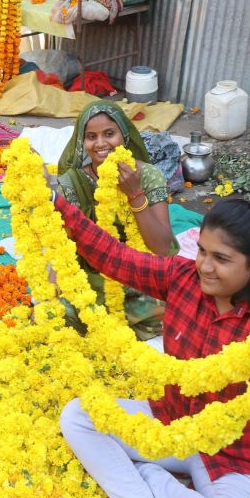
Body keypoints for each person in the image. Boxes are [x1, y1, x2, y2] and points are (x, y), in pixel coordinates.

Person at [50, 194, 250, 498]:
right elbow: (116, 258)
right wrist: (55, 200)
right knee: (78, 417)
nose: (205, 267)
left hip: (239, 457)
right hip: (170, 424)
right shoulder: (181, 278)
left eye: (221, 259)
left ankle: (152, 478)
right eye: (202, 251)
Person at [56, 100, 177, 339]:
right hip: (91, 281)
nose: (101, 144)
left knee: (174, 309)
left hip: (140, 278)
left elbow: (164, 248)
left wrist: (135, 194)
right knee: (56, 315)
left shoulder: (148, 175)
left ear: (124, 135)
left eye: (109, 134)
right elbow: (60, 248)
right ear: (82, 142)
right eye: (91, 136)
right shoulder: (72, 183)